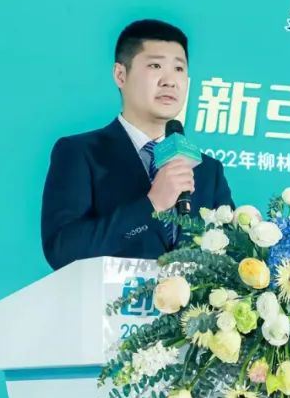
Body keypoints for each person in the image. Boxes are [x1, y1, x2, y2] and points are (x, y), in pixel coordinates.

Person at [41, 19, 234, 270]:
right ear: (120, 75)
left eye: (178, 68)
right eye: (155, 66)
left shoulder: (208, 170)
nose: (170, 81)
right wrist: (151, 205)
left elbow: (232, 260)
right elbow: (62, 250)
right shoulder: (80, 153)